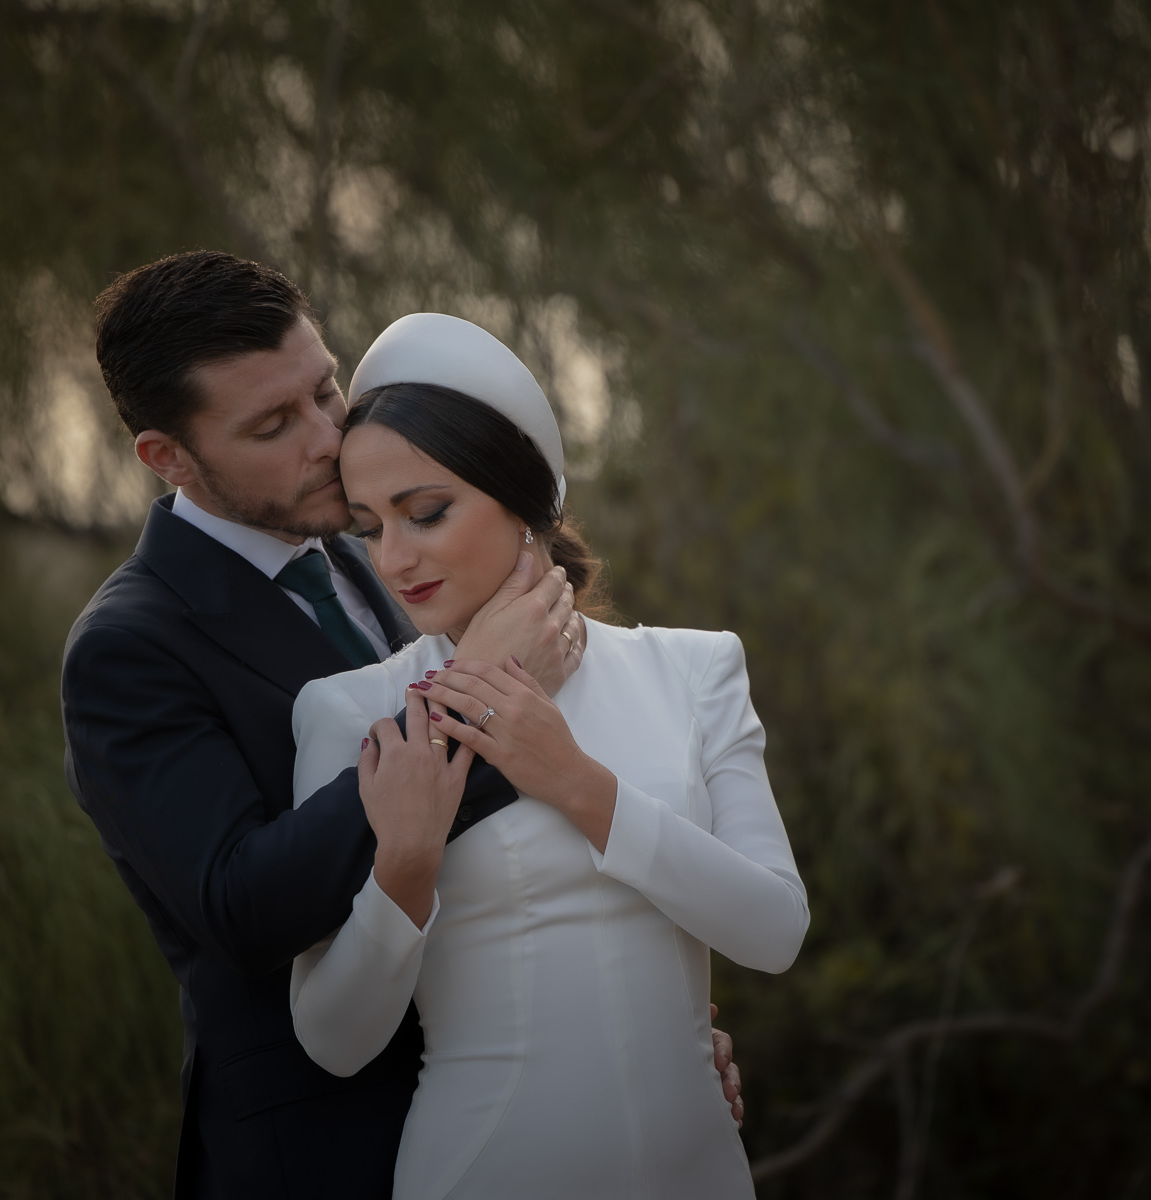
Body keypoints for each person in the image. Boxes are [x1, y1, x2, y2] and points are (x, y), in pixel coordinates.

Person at [60, 251, 743, 1200]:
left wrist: (635, 1026)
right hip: (322, 1153)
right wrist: (481, 695)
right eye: (271, 425)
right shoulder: (129, 647)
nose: (326, 436)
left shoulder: (378, 553)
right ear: (167, 456)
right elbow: (239, 907)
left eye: (326, 390)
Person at [286, 313, 808, 1199]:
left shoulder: (695, 668)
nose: (396, 558)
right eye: (370, 527)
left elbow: (775, 931)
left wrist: (573, 781)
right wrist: (406, 865)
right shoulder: (355, 711)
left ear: (525, 500)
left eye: (427, 512)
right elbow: (334, 1040)